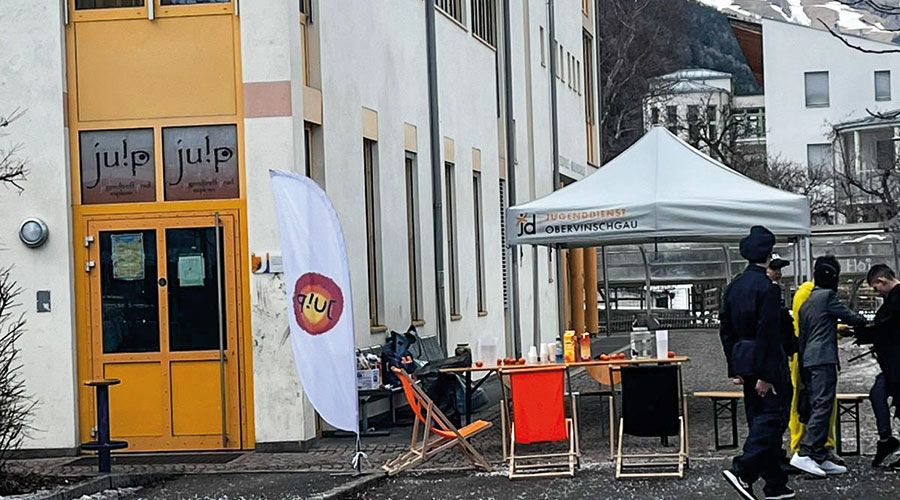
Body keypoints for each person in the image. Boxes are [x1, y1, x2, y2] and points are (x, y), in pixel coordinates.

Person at [720, 226, 794, 500]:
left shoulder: (734, 287)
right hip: (766, 361)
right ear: (767, 254)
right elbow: (768, 333)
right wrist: (767, 374)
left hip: (744, 357)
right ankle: (744, 470)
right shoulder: (768, 289)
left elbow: (725, 330)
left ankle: (775, 483)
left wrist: (735, 366)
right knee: (773, 418)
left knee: (759, 418)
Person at [792, 256, 867, 477]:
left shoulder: (807, 301)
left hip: (808, 360)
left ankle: (819, 455)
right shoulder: (827, 296)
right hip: (823, 359)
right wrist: (866, 322)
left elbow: (805, 335)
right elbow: (851, 317)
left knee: (817, 404)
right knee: (823, 406)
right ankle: (805, 452)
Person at [787, 278, 840, 469]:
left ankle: (818, 449)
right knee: (810, 405)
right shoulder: (809, 293)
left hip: (807, 356)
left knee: (819, 404)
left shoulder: (808, 293)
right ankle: (804, 450)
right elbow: (809, 327)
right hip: (810, 358)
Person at [854, 264, 900, 468]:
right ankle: (886, 439)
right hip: (892, 366)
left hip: (895, 365)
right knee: (877, 393)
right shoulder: (893, 299)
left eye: (875, 287)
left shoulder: (896, 300)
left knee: (880, 394)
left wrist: (862, 333)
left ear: (882, 281)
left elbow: (885, 328)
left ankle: (886, 439)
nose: (876, 292)